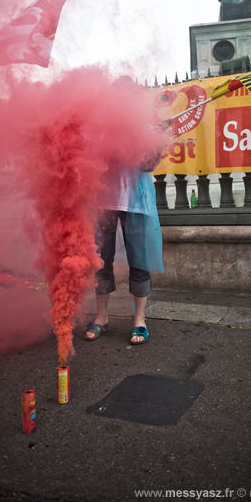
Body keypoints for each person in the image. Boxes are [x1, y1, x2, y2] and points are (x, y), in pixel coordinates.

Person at [85, 76, 164, 345]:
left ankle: (139, 320)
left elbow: (148, 165)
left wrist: (157, 139)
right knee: (100, 261)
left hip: (136, 202)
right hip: (103, 203)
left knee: (138, 261)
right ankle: (101, 317)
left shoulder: (145, 124)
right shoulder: (98, 126)